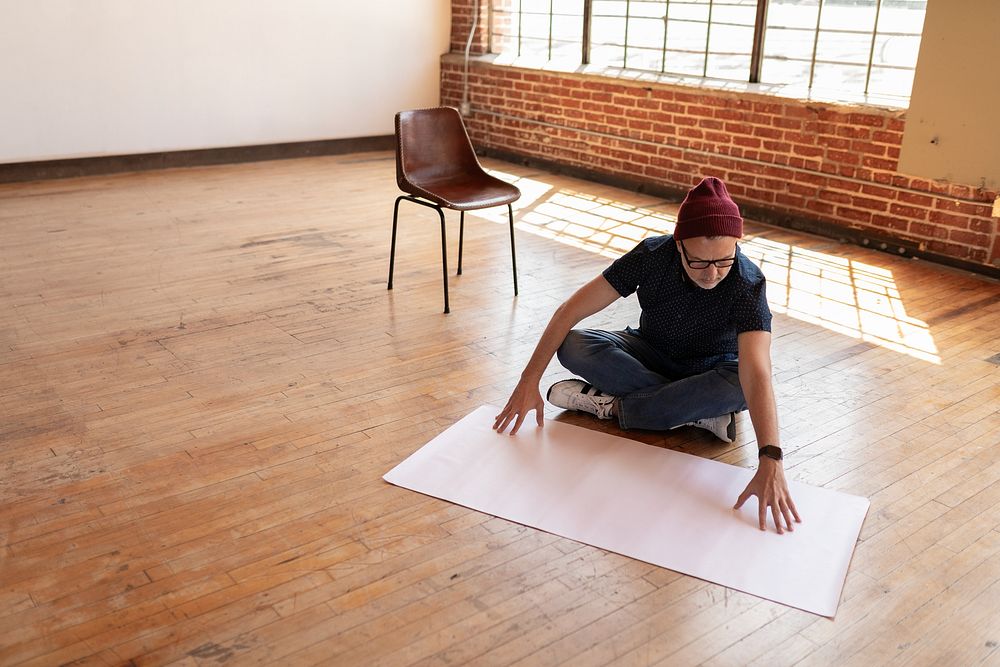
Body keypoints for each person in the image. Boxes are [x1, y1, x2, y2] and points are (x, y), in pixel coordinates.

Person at [493, 176, 801, 534]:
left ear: (737, 245)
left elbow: (757, 372)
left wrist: (771, 458)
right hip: (647, 352)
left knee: (738, 387)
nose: (713, 273)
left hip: (711, 369)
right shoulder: (652, 255)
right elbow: (570, 311)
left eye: (724, 261)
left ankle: (613, 406)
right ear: (678, 243)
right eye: (699, 262)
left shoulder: (748, 283)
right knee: (574, 343)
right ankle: (687, 413)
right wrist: (528, 380)